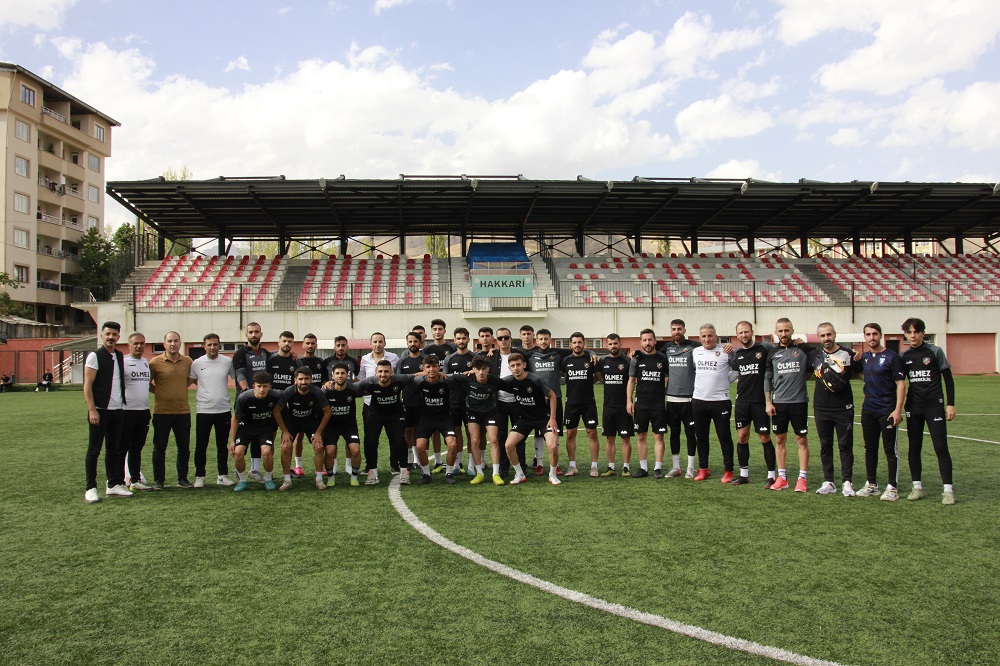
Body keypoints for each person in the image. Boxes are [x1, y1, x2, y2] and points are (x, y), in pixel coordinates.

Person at [900, 317, 957, 505]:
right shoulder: (904, 356)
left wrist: (950, 404)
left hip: (934, 406)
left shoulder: (935, 351)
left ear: (923, 333)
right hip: (913, 407)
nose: (913, 335)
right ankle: (917, 487)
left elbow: (948, 378)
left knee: (940, 446)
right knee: (914, 447)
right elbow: (899, 383)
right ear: (905, 335)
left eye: (916, 331)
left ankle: (948, 490)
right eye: (909, 332)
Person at [82, 321, 132, 502]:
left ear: (119, 337)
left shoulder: (119, 356)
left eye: (114, 334)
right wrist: (92, 410)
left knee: (114, 449)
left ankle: (113, 484)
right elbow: (87, 385)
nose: (111, 337)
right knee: (94, 449)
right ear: (101, 336)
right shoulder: (94, 356)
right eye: (108, 334)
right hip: (100, 411)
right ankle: (90, 487)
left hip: (118, 410)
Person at [857, 322, 905, 501]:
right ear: (865, 337)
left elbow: (901, 384)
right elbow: (865, 375)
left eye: (875, 334)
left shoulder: (892, 357)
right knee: (870, 448)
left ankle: (892, 487)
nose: (872, 337)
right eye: (868, 334)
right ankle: (872, 485)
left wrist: (897, 410)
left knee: (889, 449)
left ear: (880, 335)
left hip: (887, 410)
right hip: (868, 409)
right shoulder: (866, 357)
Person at [764, 318, 813, 492]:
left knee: (801, 439)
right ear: (775, 333)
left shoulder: (803, 350)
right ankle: (782, 477)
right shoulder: (772, 353)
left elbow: (820, 356)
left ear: (792, 331)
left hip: (799, 402)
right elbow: (767, 378)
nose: (783, 334)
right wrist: (768, 402)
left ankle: (802, 478)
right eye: (780, 331)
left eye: (786, 330)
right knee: (779, 439)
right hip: (779, 403)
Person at [812, 323, 860, 497]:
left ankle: (847, 482)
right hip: (821, 408)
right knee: (825, 445)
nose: (826, 338)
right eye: (823, 335)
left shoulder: (848, 354)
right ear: (819, 337)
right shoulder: (814, 355)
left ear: (835, 334)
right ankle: (829, 481)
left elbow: (861, 373)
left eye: (829, 334)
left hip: (843, 408)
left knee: (845, 445)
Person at [729, 321, 778, 487]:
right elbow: (731, 367)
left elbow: (780, 351)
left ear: (752, 332)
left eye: (746, 332)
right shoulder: (736, 354)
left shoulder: (765, 349)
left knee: (764, 437)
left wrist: (797, 342)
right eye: (741, 333)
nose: (744, 335)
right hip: (742, 401)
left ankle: (771, 475)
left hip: (760, 402)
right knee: (742, 437)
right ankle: (743, 474)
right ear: (737, 335)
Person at [500, 353, 560, 485]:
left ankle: (552, 475)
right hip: (525, 419)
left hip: (543, 419)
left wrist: (553, 418)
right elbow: (492, 380)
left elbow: (552, 396)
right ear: (509, 368)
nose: (516, 368)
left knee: (553, 446)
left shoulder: (535, 379)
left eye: (518, 365)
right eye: (513, 366)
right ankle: (519, 474)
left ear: (524, 365)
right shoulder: (509, 380)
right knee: (508, 445)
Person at [691, 324, 739, 482]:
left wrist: (726, 381)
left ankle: (728, 471)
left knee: (724, 436)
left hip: (720, 402)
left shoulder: (725, 351)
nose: (707, 339)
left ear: (716, 336)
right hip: (699, 401)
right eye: (703, 336)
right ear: (699, 338)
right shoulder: (696, 352)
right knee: (701, 437)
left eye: (710, 335)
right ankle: (703, 469)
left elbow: (736, 371)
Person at [452, 356, 509, 485]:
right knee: (474, 440)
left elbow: (511, 386)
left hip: (490, 412)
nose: (481, 372)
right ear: (473, 369)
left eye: (484, 369)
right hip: (473, 412)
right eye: (478, 369)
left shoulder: (494, 380)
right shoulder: (467, 378)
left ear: (488, 369)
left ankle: (496, 474)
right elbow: (449, 377)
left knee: (494, 439)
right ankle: (479, 473)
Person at [355, 359, 414, 485]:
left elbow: (416, 376)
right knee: (370, 441)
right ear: (376, 373)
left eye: (386, 371)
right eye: (380, 371)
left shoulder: (399, 380)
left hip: (395, 415)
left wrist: (435, 373)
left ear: (391, 372)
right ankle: (372, 473)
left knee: (399, 440)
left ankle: (404, 472)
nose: (383, 374)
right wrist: (330, 384)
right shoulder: (369, 382)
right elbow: (352, 387)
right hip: (375, 414)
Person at [149, 331, 194, 490]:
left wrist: (179, 390)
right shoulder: (155, 362)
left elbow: (190, 379)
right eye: (170, 341)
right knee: (159, 448)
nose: (173, 344)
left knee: (184, 448)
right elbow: (148, 382)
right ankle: (158, 481)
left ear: (180, 343)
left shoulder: (188, 361)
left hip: (182, 412)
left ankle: (182, 479)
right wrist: (160, 392)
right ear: (164, 344)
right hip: (161, 412)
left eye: (176, 341)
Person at [274, 367, 332, 490]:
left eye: (306, 379)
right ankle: (287, 480)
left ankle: (319, 480)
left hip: (311, 422)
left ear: (311, 379)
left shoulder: (317, 392)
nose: (303, 382)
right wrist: (284, 431)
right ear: (295, 380)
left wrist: (318, 432)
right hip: (292, 423)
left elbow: (327, 412)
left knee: (318, 446)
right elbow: (276, 410)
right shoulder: (289, 391)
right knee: (285, 446)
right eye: (300, 379)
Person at [189, 333, 234, 487]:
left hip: (223, 410)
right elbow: (193, 379)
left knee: (222, 445)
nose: (212, 347)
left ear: (219, 345)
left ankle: (222, 475)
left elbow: (237, 377)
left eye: (215, 344)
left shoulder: (227, 362)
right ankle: (199, 477)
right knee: (201, 445)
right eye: (209, 344)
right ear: (204, 346)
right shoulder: (196, 363)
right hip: (204, 410)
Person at [410, 356, 464, 484]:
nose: (431, 369)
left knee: (452, 444)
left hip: (444, 419)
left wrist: (472, 372)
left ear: (439, 367)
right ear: (423, 368)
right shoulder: (419, 381)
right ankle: (426, 474)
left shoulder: (446, 381)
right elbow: (405, 378)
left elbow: (463, 377)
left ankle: (449, 473)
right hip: (426, 419)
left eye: (434, 366)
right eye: (428, 367)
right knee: (420, 446)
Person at [527, 329, 571, 474]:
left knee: (555, 430)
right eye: (541, 339)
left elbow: (577, 350)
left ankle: (555, 464)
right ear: (536, 340)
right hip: (538, 400)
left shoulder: (557, 353)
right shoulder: (530, 355)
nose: (543, 342)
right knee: (539, 432)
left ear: (550, 339)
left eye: (546, 339)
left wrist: (592, 353)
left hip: (555, 398)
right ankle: (539, 463)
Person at [232, 322, 271, 480]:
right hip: (246, 399)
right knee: (243, 434)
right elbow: (240, 374)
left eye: (256, 332)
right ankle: (239, 469)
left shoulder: (265, 354)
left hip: (263, 399)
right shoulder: (240, 354)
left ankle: (255, 469)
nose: (253, 335)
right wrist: (246, 390)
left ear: (261, 334)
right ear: (246, 335)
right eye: (250, 332)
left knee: (260, 433)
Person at [626, 328, 667, 478]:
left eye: (650, 340)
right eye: (644, 340)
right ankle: (643, 468)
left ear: (655, 341)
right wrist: (629, 400)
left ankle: (658, 468)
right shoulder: (637, 359)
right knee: (641, 436)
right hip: (641, 404)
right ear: (640, 342)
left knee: (658, 436)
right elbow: (631, 381)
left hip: (658, 404)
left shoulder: (663, 359)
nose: (647, 343)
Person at [230, 372, 281, 492]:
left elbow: (291, 393)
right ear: (254, 386)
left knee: (267, 452)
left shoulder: (276, 395)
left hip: (264, 428)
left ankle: (268, 479)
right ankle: (242, 481)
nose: (262, 389)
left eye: (265, 386)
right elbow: (236, 417)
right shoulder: (244, 398)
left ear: (270, 386)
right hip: (246, 428)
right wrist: (232, 440)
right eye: (259, 386)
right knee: (238, 452)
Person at [358, 332, 400, 473]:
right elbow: (361, 381)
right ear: (370, 344)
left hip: (390, 404)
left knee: (393, 436)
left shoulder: (394, 358)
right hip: (370, 405)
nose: (377, 344)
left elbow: (397, 380)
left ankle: (395, 464)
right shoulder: (364, 359)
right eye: (375, 342)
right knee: (370, 438)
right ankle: (370, 466)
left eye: (380, 341)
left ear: (385, 343)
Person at [661, 319, 698, 479]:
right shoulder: (666, 348)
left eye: (679, 329)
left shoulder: (694, 346)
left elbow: (711, 348)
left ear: (684, 330)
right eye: (674, 329)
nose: (676, 331)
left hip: (690, 399)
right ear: (671, 331)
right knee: (674, 434)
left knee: (691, 433)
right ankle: (676, 467)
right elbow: (651, 355)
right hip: (671, 399)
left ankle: (691, 467)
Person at [562, 332, 600, 476]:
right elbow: (558, 374)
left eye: (579, 342)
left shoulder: (590, 359)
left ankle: (594, 466)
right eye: (574, 342)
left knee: (592, 433)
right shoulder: (566, 360)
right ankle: (572, 466)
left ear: (584, 343)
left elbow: (598, 377)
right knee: (571, 433)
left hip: (588, 403)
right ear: (570, 344)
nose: (577, 345)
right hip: (571, 403)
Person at [322, 362, 364, 487]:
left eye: (343, 373)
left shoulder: (354, 389)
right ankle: (330, 477)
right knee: (330, 451)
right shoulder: (326, 392)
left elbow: (369, 389)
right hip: (331, 426)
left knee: (355, 450)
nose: (340, 376)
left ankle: (354, 476)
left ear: (347, 375)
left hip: (349, 426)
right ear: (332, 376)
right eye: (337, 373)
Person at [596, 333, 633, 476]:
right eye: (610, 344)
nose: (613, 346)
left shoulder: (627, 361)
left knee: (625, 438)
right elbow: (599, 376)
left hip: (624, 406)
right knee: (610, 438)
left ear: (620, 344)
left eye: (615, 343)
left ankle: (626, 467)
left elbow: (632, 380)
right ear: (606, 345)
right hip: (608, 406)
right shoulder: (603, 361)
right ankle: (611, 467)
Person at [266, 331, 301, 476]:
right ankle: (271, 471)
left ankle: (289, 469)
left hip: (290, 406)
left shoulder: (296, 362)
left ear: (293, 344)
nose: (287, 344)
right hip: (273, 405)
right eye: (284, 341)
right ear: (278, 342)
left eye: (290, 341)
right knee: (271, 437)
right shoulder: (271, 359)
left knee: (290, 438)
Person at [442, 327, 475, 475]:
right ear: (454, 340)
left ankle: (471, 465)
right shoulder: (450, 359)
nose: (461, 341)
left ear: (468, 339)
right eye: (458, 338)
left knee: (471, 434)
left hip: (471, 402)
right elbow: (445, 379)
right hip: (453, 401)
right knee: (456, 433)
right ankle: (457, 463)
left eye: (464, 338)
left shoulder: (474, 358)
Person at [122, 332, 152, 491]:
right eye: (135, 343)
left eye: (142, 343)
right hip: (126, 411)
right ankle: (117, 479)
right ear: (129, 345)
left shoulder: (146, 362)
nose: (139, 346)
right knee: (122, 447)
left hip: (143, 411)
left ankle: (135, 479)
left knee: (136, 448)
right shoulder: (123, 362)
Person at [397, 331, 426, 472]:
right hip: (407, 400)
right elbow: (399, 380)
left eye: (415, 341)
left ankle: (418, 459)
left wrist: (411, 376)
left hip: (423, 401)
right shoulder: (402, 361)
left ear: (420, 343)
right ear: (407, 343)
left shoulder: (426, 359)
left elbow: (429, 374)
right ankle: (409, 459)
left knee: (420, 430)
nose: (413, 344)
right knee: (408, 430)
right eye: (410, 342)